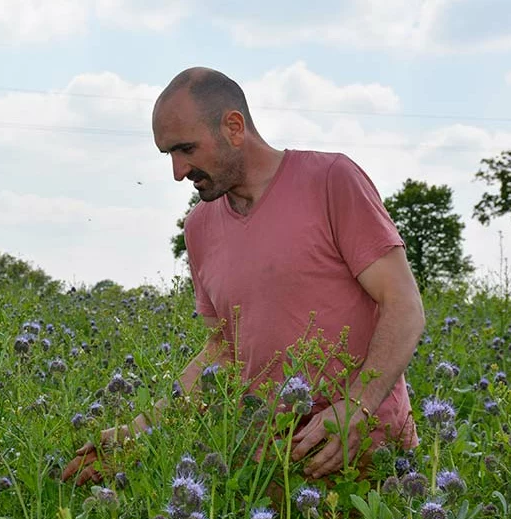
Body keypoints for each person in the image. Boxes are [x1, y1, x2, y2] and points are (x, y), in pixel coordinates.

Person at [61, 67, 424, 486]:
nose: (179, 172)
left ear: (234, 127)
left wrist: (356, 408)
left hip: (370, 456)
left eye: (186, 149)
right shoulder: (198, 228)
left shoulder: (331, 180)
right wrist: (140, 431)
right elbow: (224, 352)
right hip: (268, 468)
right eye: (169, 156)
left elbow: (403, 306)